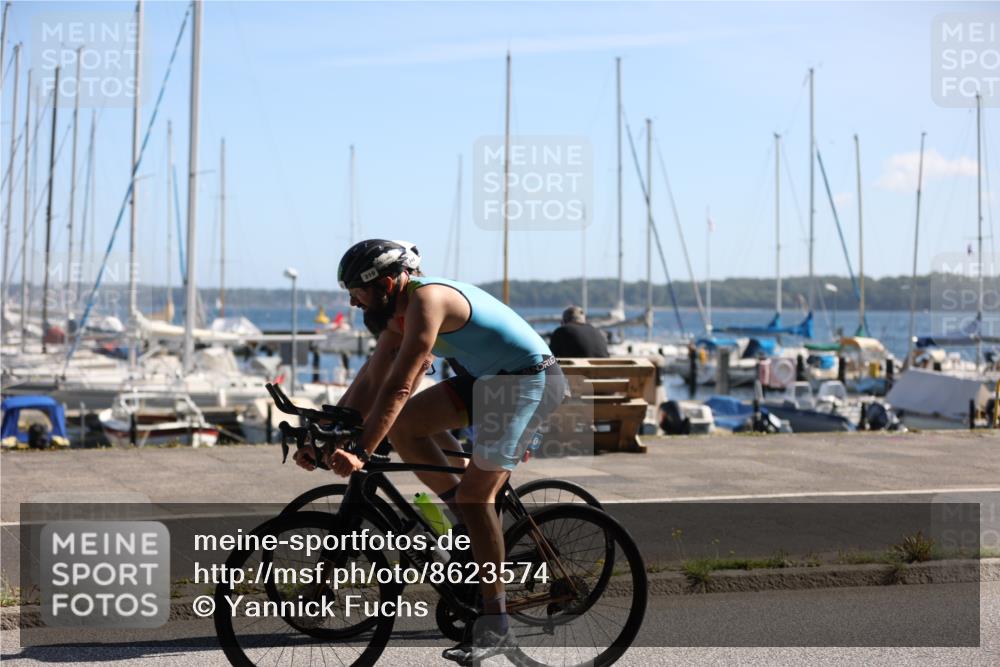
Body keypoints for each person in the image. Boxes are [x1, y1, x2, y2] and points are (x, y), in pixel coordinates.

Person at [295, 239, 567, 663]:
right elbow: (370, 379)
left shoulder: (427, 299)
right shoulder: (395, 316)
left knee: (478, 496)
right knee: (406, 430)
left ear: (386, 283)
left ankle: (496, 625)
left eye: (357, 292)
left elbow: (400, 386)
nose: (351, 302)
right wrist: (327, 432)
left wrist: (363, 451)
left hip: (528, 383)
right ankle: (462, 519)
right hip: (485, 382)